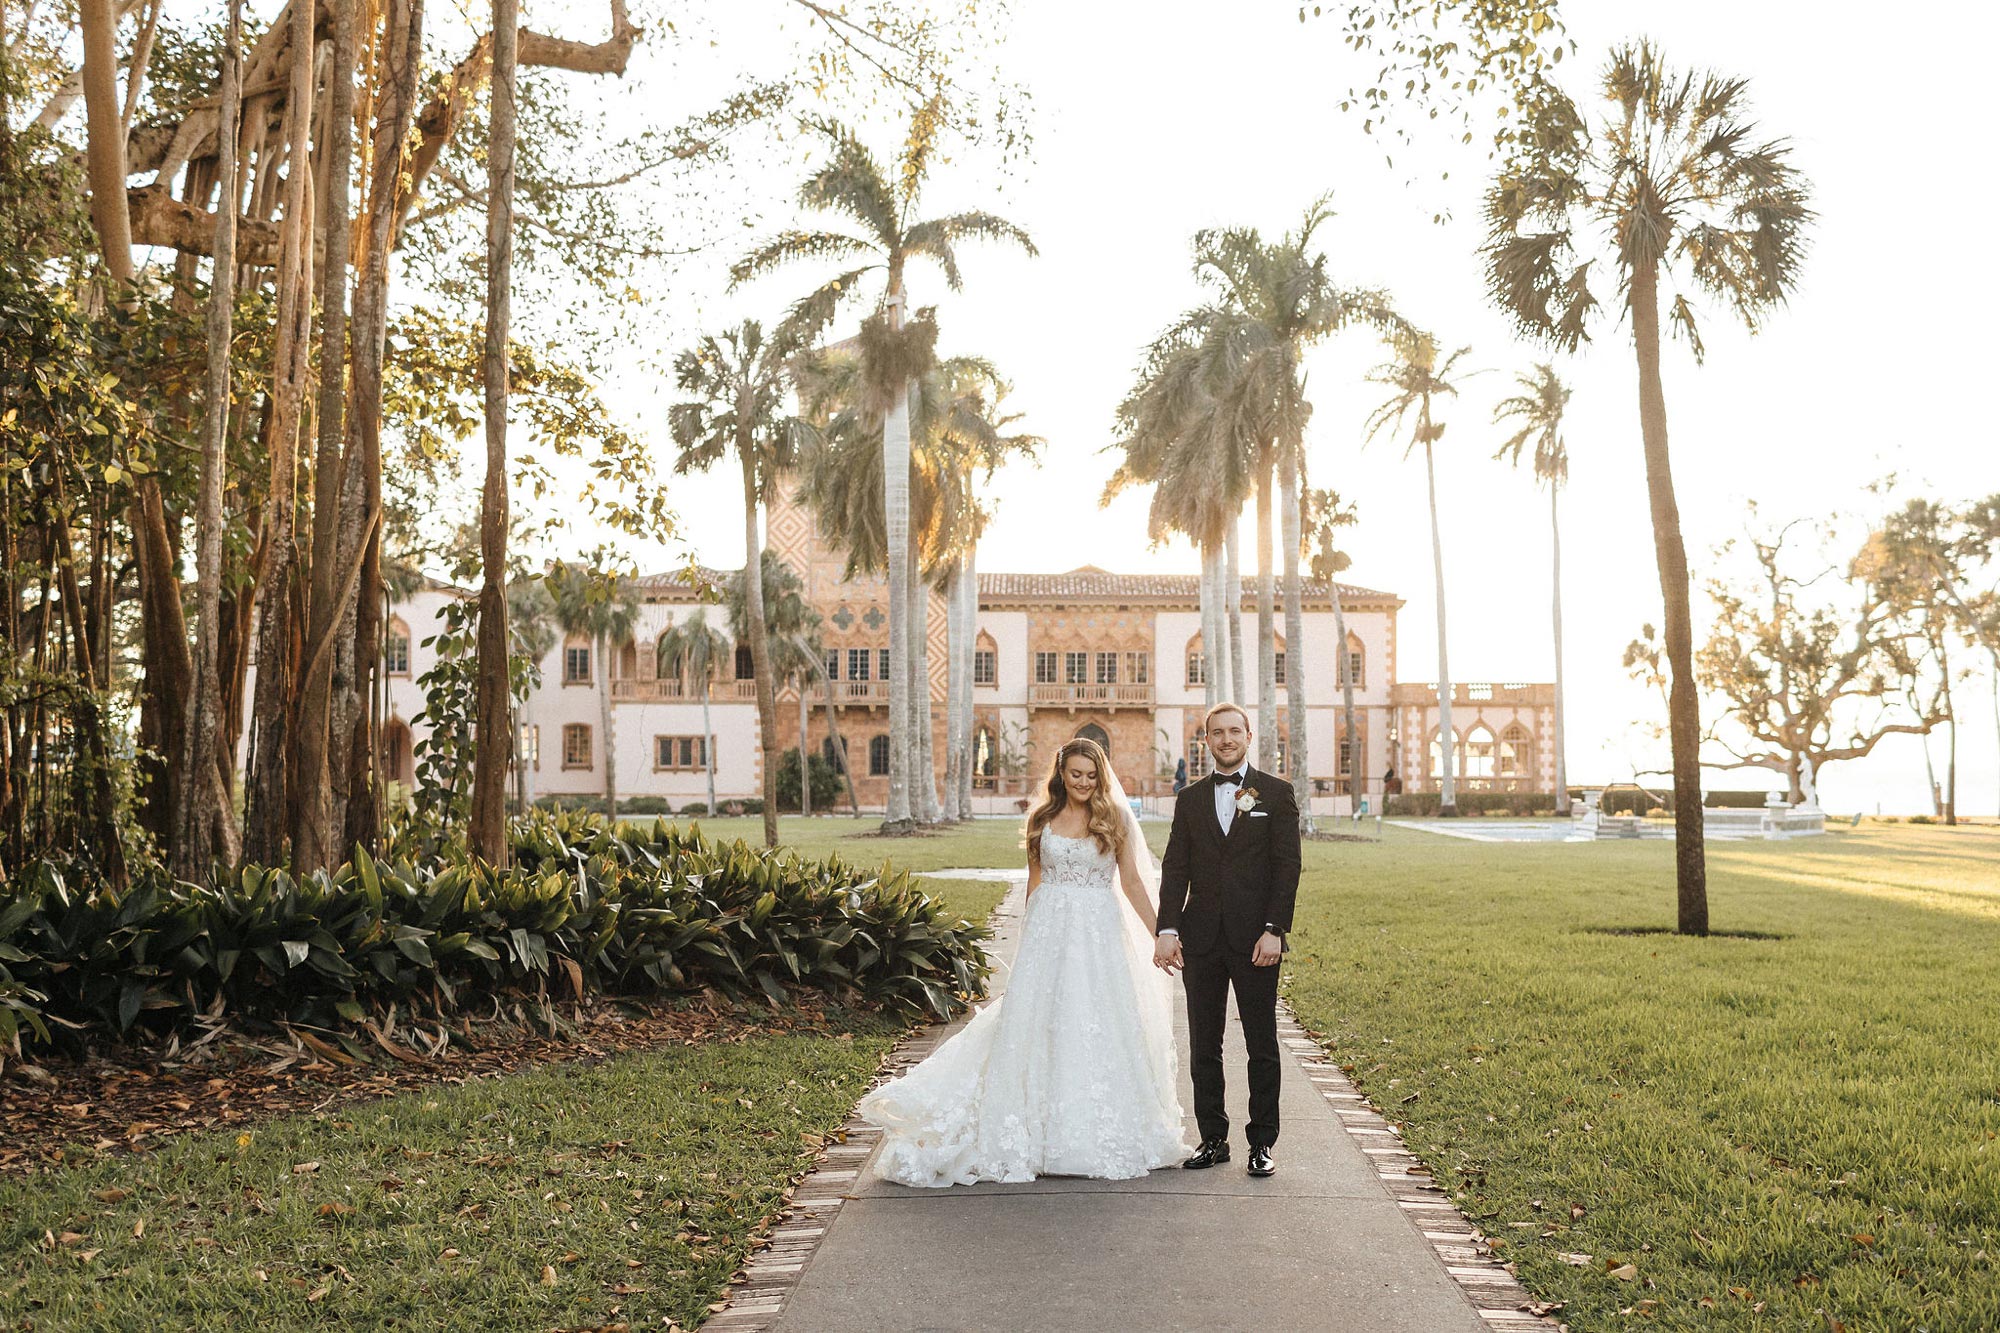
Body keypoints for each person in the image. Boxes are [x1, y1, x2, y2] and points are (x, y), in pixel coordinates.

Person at [858, 737, 1190, 1187]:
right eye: (1076, 775)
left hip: (1096, 934)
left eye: (1092, 776)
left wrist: (1160, 933)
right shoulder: (1043, 819)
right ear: (1060, 774)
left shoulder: (1113, 820)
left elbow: (1131, 881)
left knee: (1096, 1021)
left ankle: (1091, 1129)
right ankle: (1030, 1126)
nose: (1084, 784)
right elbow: (1033, 884)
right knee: (1039, 1022)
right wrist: (1027, 944)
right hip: (1049, 932)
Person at [1154, 702, 1301, 1179]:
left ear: (1249, 735)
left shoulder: (1275, 794)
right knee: (1204, 1044)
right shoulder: (1189, 799)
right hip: (1201, 939)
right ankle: (1213, 1138)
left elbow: (1287, 868)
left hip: (1257, 939)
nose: (1226, 739)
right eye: (1217, 733)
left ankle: (1261, 1143)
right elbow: (1176, 867)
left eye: (1234, 731)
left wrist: (1275, 930)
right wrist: (1168, 929)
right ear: (1206, 740)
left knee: (1261, 1044)